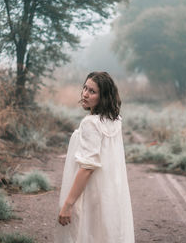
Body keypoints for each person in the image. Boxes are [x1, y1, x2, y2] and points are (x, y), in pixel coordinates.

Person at [55, 72, 135, 243]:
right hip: (110, 192)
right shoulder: (114, 120)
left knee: (88, 234)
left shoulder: (90, 123)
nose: (85, 94)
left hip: (91, 193)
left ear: (103, 97)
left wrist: (68, 204)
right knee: (106, 233)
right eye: (85, 88)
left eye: (92, 91)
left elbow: (87, 168)